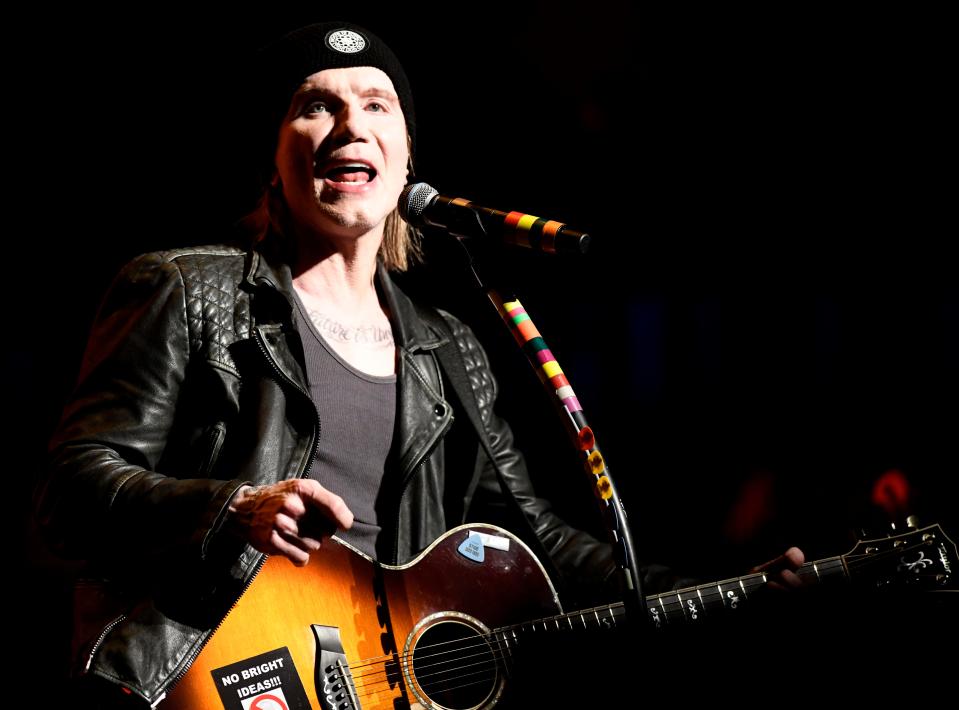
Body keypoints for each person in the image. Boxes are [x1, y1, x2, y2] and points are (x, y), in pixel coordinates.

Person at [34, 20, 804, 708]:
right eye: (314, 106)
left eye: (376, 105)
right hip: (203, 671)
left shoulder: (446, 347)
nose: (348, 126)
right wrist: (234, 509)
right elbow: (69, 494)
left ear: (405, 156)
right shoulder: (186, 289)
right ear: (273, 157)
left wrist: (725, 589)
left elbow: (536, 535)